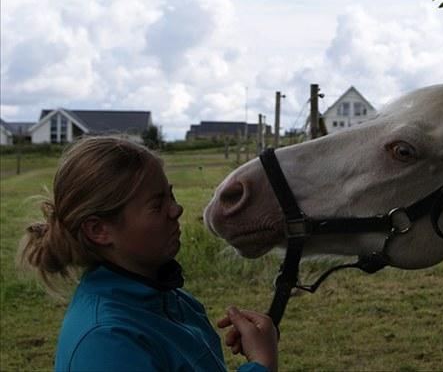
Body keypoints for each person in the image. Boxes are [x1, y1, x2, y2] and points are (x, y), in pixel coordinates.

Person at [18, 136, 278, 371]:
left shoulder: (171, 299)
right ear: (98, 230)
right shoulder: (106, 342)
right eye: (157, 204)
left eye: (171, 195)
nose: (176, 209)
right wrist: (261, 364)